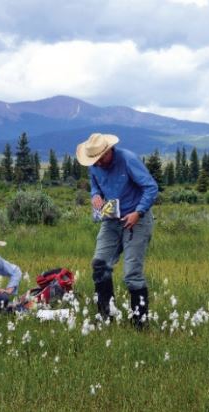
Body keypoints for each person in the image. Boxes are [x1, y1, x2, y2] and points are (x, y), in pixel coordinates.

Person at [76, 132, 158, 328]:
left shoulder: (128, 159)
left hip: (136, 219)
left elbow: (151, 187)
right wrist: (95, 195)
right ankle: (106, 317)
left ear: (109, 151)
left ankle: (140, 323)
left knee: (131, 274)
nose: (97, 164)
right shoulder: (95, 166)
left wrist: (138, 212)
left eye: (100, 159)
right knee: (99, 264)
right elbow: (96, 186)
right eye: (93, 161)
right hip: (111, 220)